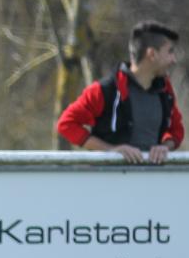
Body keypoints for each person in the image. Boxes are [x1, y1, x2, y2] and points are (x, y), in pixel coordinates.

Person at [57, 21, 183, 163]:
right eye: (170, 52)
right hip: (108, 182)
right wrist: (110, 150)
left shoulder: (165, 91)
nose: (174, 60)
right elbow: (66, 124)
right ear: (152, 54)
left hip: (151, 182)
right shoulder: (103, 90)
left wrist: (165, 147)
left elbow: (176, 131)